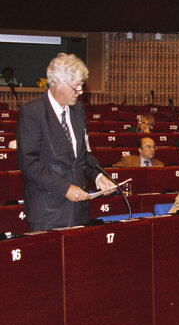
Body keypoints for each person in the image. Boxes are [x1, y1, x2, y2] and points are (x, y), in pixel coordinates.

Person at [17, 53, 113, 230]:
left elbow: (83, 156)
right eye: (76, 86)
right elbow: (29, 163)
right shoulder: (32, 112)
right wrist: (65, 188)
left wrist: (98, 177)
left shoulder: (78, 110)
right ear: (58, 83)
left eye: (81, 85)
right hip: (48, 211)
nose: (81, 91)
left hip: (79, 211)